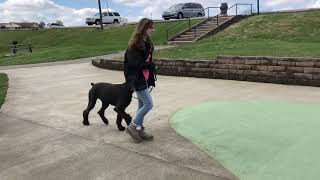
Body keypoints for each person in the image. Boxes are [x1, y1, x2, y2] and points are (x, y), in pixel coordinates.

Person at [124, 18, 157, 143]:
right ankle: (133, 127)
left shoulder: (146, 42)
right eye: (151, 27)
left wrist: (150, 67)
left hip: (144, 77)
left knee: (142, 105)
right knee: (148, 104)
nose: (153, 30)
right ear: (143, 28)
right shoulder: (135, 45)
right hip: (136, 78)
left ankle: (139, 129)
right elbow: (134, 64)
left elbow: (146, 61)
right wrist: (150, 65)